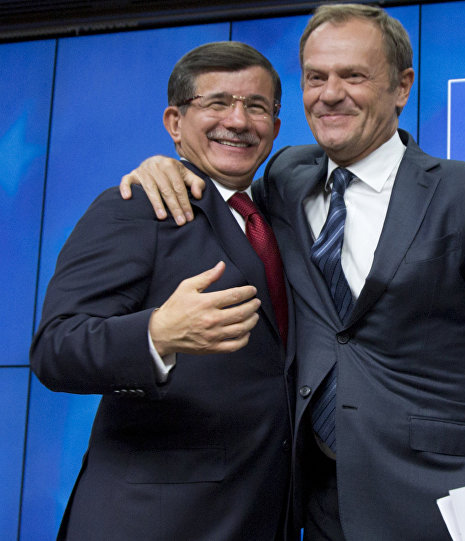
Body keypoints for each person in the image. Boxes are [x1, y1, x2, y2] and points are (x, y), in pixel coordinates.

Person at [121, 4, 465, 540]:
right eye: (316, 77)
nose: (330, 93)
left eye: (353, 75)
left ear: (401, 88)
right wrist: (168, 164)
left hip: (448, 501)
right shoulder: (284, 178)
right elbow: (220, 184)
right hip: (314, 504)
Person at [31, 42, 292, 541]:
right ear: (175, 122)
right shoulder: (133, 206)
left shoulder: (280, 217)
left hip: (259, 516)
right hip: (152, 521)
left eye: (256, 106)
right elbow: (55, 349)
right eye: (216, 103)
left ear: (276, 128)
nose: (238, 120)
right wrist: (156, 334)